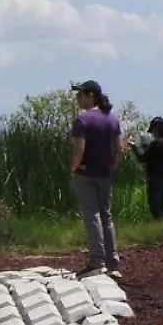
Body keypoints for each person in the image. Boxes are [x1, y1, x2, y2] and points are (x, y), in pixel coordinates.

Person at [68, 79, 122, 278]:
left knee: (92, 215)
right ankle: (112, 263)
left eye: (80, 95)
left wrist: (72, 169)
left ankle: (96, 262)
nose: (78, 99)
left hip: (86, 172)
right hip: (105, 173)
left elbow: (79, 148)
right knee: (106, 216)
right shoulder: (113, 119)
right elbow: (119, 148)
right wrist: (113, 168)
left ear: (91, 95)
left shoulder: (82, 120)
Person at [130, 116, 163, 220]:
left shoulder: (157, 143)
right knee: (162, 203)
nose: (152, 133)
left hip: (155, 177)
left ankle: (160, 224)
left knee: (154, 204)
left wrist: (134, 147)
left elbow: (143, 158)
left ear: (157, 130)